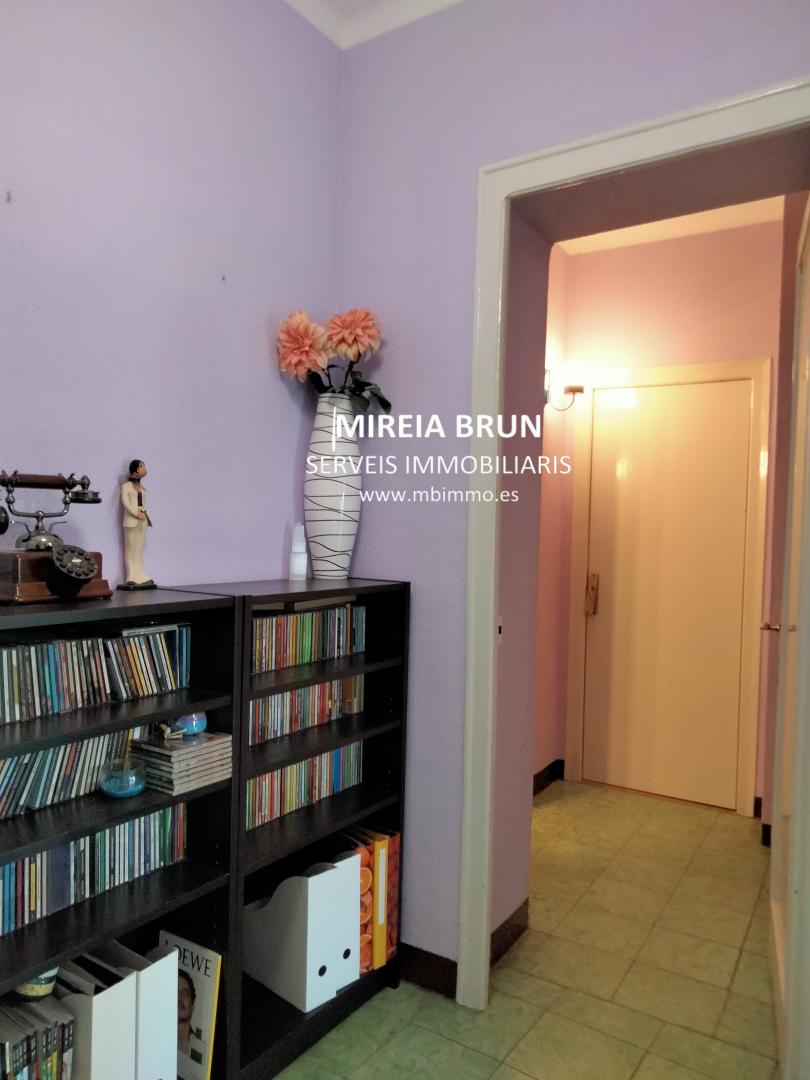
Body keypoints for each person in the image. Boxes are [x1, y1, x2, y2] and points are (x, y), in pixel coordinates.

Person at [119, 458, 156, 589]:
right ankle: (131, 576)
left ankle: (140, 575)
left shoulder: (141, 487)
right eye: (141, 466)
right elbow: (126, 503)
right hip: (132, 520)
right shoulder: (126, 486)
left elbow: (143, 504)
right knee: (130, 549)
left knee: (139, 549)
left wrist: (144, 514)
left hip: (143, 520)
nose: (144, 468)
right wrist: (136, 513)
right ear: (135, 470)